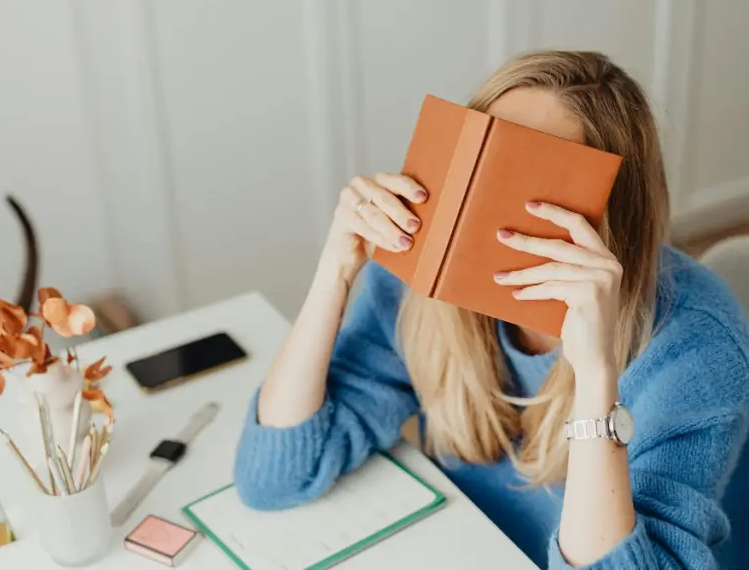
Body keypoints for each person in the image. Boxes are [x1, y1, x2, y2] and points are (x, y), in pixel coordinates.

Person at [233, 50, 749, 569]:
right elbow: (274, 478)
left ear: (612, 214)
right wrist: (336, 271)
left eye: (526, 177)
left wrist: (596, 374)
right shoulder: (417, 287)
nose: (480, 203)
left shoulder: (699, 345)